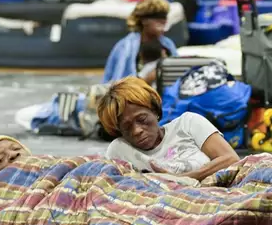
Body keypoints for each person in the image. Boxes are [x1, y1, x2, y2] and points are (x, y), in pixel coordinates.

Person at [97, 77, 240, 181]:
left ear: (154, 111)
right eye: (126, 127)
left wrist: (181, 179)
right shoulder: (119, 150)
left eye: (142, 119)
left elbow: (230, 159)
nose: (137, 131)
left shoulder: (189, 123)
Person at [103, 0, 178, 83]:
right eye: (157, 19)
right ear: (144, 20)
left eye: (164, 20)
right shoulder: (126, 47)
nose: (163, 23)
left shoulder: (168, 45)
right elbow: (117, 82)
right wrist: (148, 79)